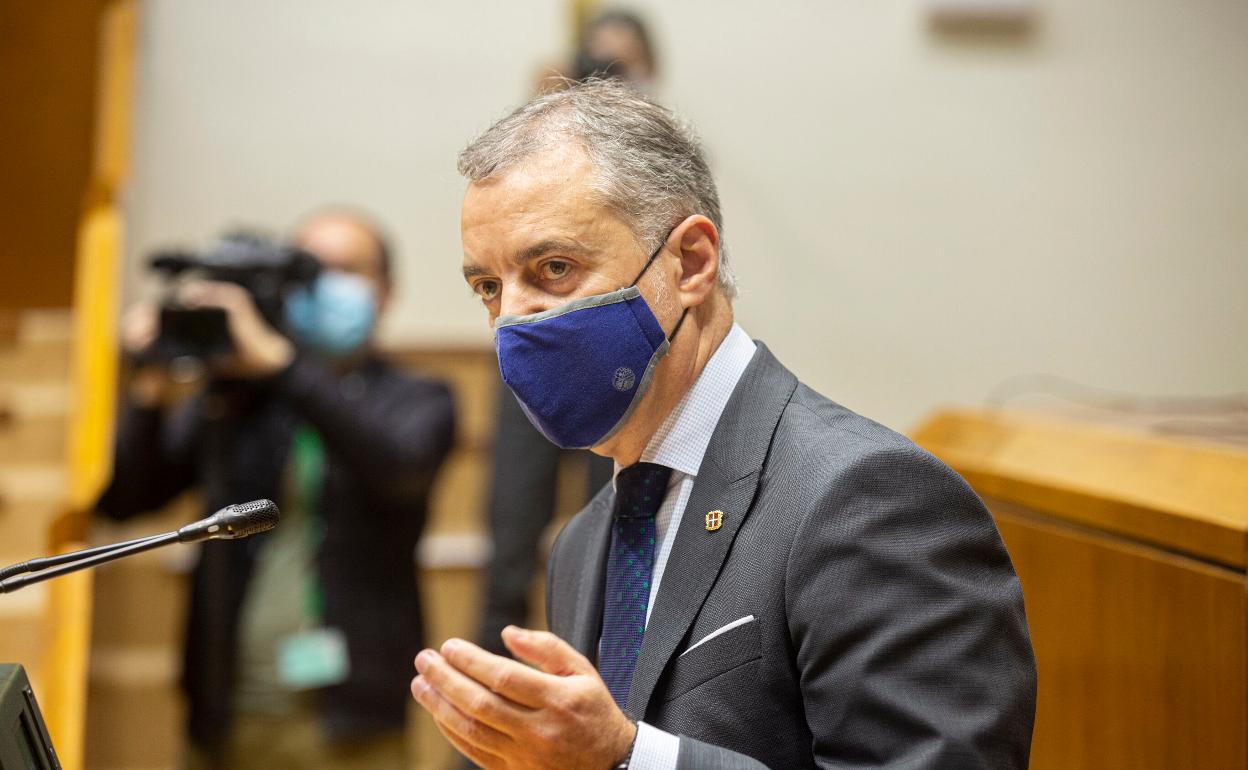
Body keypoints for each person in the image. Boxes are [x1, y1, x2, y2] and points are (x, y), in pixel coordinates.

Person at [409, 80, 1036, 769]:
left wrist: (629, 759)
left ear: (691, 263)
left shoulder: (869, 497)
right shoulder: (583, 542)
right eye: (488, 288)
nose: (513, 319)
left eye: (554, 268)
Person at [97, 209, 456, 768]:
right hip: (226, 711)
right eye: (308, 269)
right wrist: (151, 384)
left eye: (345, 268)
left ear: (386, 290)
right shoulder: (239, 399)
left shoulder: (417, 397)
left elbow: (399, 472)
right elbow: (126, 502)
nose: (322, 284)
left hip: (352, 721)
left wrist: (284, 364)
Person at [476, 6, 659, 662]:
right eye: (594, 69)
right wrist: (544, 117)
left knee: (612, 540)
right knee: (509, 546)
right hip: (534, 357)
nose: (604, 82)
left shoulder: (667, 161)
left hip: (623, 366)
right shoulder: (543, 143)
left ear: (652, 73)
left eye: (620, 69)